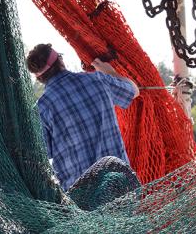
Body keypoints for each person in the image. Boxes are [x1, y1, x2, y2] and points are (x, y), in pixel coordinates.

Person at [26, 43, 139, 191]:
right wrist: (110, 72)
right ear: (60, 61)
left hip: (80, 199)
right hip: (120, 187)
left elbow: (44, 153)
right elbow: (134, 90)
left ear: (39, 77)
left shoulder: (42, 108)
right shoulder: (99, 80)